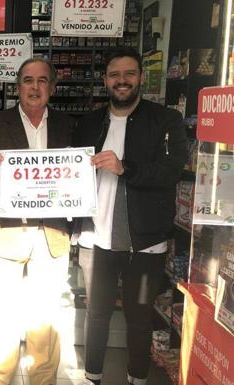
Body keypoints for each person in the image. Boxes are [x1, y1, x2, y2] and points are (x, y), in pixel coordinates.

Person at [73, 47, 188, 385]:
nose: (121, 81)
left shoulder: (165, 120)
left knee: (140, 315)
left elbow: (170, 171)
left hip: (146, 241)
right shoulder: (90, 122)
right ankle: (91, 376)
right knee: (96, 315)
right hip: (97, 237)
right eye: (114, 75)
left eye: (128, 74)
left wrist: (126, 169)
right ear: (105, 80)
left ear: (140, 77)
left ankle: (137, 378)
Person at [0, 57, 74, 385]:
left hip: (51, 235)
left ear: (52, 88)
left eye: (42, 81)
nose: (35, 87)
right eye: (28, 80)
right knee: (2, 319)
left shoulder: (69, 126)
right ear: (18, 87)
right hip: (5, 234)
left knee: (45, 321)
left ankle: (44, 382)